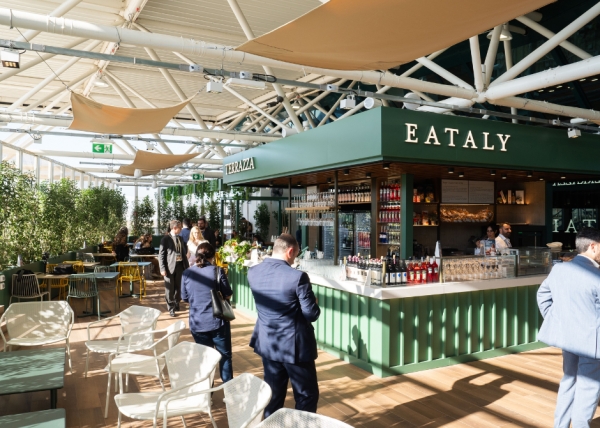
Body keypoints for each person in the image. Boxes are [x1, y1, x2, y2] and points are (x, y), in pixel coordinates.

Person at [247, 234, 321, 417]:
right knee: (306, 395)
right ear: (290, 251)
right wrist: (314, 303)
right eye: (295, 255)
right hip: (294, 347)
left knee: (273, 395)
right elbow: (311, 314)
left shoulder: (253, 271)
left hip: (268, 342)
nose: (294, 259)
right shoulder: (297, 277)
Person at [537, 227, 600, 427]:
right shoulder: (596, 276)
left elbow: (542, 296)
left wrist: (559, 321)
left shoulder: (559, 269)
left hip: (569, 339)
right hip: (593, 342)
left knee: (569, 382)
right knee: (588, 390)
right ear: (593, 246)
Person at [181, 242, 233, 383]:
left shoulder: (186, 273)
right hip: (218, 321)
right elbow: (228, 294)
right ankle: (229, 392)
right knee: (225, 356)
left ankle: (207, 393)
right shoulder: (217, 271)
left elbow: (185, 298)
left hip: (197, 323)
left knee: (204, 358)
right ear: (213, 255)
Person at [159, 220, 189, 317]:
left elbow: (183, 253)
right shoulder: (165, 239)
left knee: (179, 287)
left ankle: (177, 302)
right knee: (169, 288)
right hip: (169, 267)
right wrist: (162, 268)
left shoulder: (180, 238)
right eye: (180, 227)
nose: (181, 229)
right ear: (174, 228)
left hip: (180, 266)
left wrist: (187, 267)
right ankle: (171, 307)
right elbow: (161, 255)